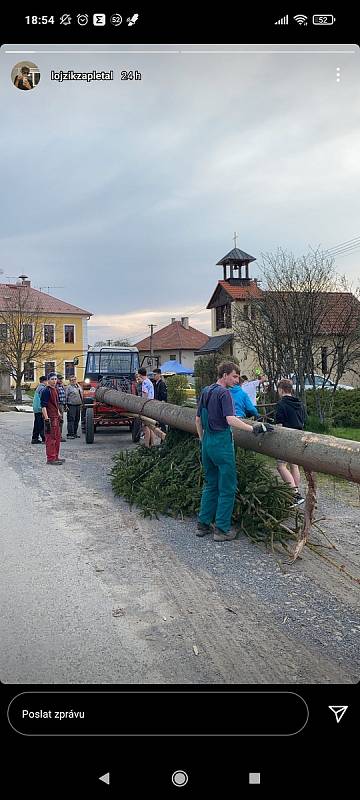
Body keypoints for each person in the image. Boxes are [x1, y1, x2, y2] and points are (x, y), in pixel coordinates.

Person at [195, 362, 273, 542]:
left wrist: (202, 440)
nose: (237, 381)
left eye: (238, 377)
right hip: (221, 443)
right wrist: (253, 428)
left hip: (207, 442)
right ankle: (222, 529)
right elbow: (230, 419)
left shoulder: (206, 391)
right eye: (234, 376)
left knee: (210, 484)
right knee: (227, 486)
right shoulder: (224, 394)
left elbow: (198, 420)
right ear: (224, 375)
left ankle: (203, 524)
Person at [275, 378, 306, 506]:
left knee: (281, 466)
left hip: (286, 437)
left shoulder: (281, 404)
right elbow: (304, 420)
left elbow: (279, 424)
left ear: (281, 390)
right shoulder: (299, 403)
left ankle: (295, 495)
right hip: (298, 436)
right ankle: (296, 490)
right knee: (294, 465)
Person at [41, 373, 65, 465]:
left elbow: (56, 404)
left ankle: (56, 456)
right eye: (52, 379)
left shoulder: (55, 390)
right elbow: (43, 406)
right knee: (51, 439)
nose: (54, 381)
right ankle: (50, 459)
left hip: (56, 417)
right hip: (50, 418)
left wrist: (59, 415)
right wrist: (47, 419)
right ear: (48, 380)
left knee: (57, 438)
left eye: (55, 379)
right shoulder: (46, 391)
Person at [138, 367, 155, 447]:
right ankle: (152, 444)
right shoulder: (149, 381)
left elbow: (145, 395)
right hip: (152, 404)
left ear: (140, 374)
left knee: (146, 426)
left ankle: (147, 445)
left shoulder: (144, 383)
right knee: (151, 426)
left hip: (146, 405)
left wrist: (141, 405)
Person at [31, 375, 47, 443]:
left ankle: (34, 438)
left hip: (36, 408)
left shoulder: (38, 387)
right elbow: (43, 399)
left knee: (37, 424)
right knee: (41, 424)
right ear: (45, 381)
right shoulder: (43, 388)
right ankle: (44, 438)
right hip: (40, 408)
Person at [153, 367, 167, 433]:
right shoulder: (155, 383)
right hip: (156, 404)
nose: (154, 376)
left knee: (162, 423)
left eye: (155, 375)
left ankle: (163, 438)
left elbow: (164, 396)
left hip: (160, 405)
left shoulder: (162, 384)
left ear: (159, 375)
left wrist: (162, 404)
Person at [56, 374, 67, 442]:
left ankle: (59, 435)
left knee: (61, 421)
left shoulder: (61, 386)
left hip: (62, 404)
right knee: (58, 420)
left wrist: (65, 404)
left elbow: (64, 396)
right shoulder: (56, 386)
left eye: (61, 379)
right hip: (58, 405)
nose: (61, 380)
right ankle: (58, 436)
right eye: (59, 379)